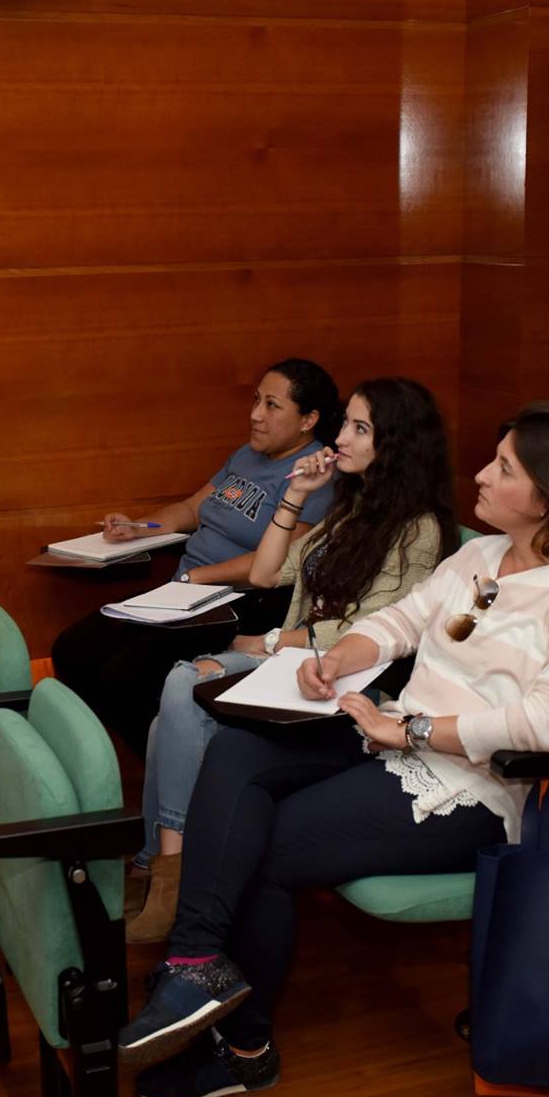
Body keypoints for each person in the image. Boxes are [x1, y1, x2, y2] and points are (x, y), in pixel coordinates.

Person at [117, 404, 549, 1097]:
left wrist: (413, 731)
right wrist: (340, 659)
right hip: (392, 730)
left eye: (504, 468)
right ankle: (195, 960)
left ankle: (244, 1051)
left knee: (264, 846)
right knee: (236, 750)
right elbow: (400, 621)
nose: (481, 474)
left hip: (475, 784)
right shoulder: (482, 555)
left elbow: (546, 724)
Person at [126, 377, 458, 943]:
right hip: (294, 663)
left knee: (183, 684)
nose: (341, 438)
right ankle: (160, 864)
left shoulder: (418, 530)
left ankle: (172, 873)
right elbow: (264, 573)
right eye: (345, 423)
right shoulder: (351, 508)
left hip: (348, 681)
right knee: (169, 717)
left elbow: (371, 629)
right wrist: (296, 495)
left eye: (359, 428)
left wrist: (273, 642)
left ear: (396, 444)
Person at [50, 359, 340, 748]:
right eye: (256, 400)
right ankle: (99, 756)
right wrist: (139, 527)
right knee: (71, 649)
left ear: (308, 420)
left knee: (122, 677)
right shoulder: (248, 455)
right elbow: (191, 509)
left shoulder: (315, 475)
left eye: (272, 405)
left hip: (236, 600)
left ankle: (163, 762)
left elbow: (281, 563)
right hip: (182, 590)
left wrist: (198, 578)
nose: (255, 414)